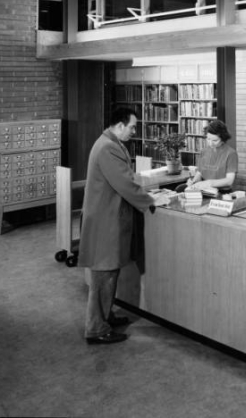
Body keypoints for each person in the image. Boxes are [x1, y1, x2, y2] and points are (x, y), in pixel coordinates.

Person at [79, 107, 156, 345]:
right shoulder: (108, 147)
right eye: (132, 127)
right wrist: (150, 200)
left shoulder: (110, 142)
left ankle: (105, 317)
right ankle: (96, 328)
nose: (135, 131)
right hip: (105, 221)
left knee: (109, 273)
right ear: (120, 126)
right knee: (103, 275)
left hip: (107, 218)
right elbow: (124, 183)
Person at [179, 120, 238, 193]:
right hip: (205, 190)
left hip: (221, 192)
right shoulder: (204, 151)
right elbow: (200, 173)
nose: (210, 143)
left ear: (223, 139)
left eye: (215, 140)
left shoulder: (231, 153)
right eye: (208, 139)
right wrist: (193, 181)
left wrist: (209, 183)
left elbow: (229, 180)